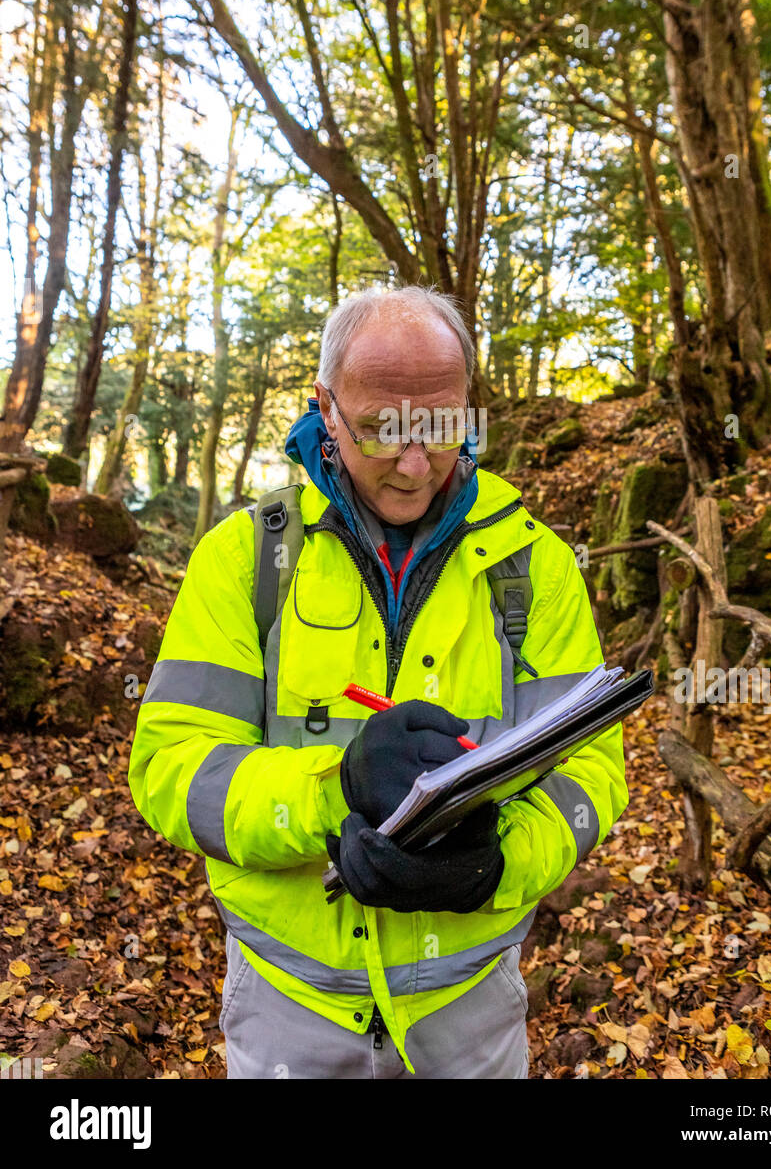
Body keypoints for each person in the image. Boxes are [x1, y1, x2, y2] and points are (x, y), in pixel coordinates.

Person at [128, 286, 628, 1079]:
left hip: (470, 1012)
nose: (415, 461)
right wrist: (336, 788)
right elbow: (170, 770)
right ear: (325, 408)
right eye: (382, 429)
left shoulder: (536, 568)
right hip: (291, 1009)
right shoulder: (246, 560)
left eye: (441, 426)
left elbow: (592, 775)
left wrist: (499, 865)